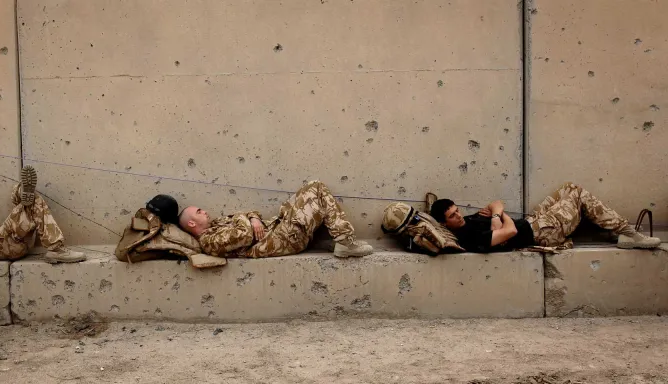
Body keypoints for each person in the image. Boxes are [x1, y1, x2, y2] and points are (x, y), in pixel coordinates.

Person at [430, 182, 661, 253]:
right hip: (542, 233)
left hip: (534, 221)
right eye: (453, 216)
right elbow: (510, 231)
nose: (459, 215)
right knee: (579, 196)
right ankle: (629, 233)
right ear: (443, 223)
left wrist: (498, 215)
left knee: (571, 187)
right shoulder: (469, 237)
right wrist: (499, 217)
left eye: (457, 210)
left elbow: (496, 203)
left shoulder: (466, 221)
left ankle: (616, 230)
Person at [178, 180, 373, 258]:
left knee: (314, 187)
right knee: (317, 189)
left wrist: (252, 217)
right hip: (282, 240)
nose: (204, 212)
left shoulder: (217, 224)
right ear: (192, 223)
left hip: (279, 229)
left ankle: (339, 240)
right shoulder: (208, 242)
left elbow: (251, 214)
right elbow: (244, 235)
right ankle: (345, 241)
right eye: (199, 211)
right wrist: (245, 217)